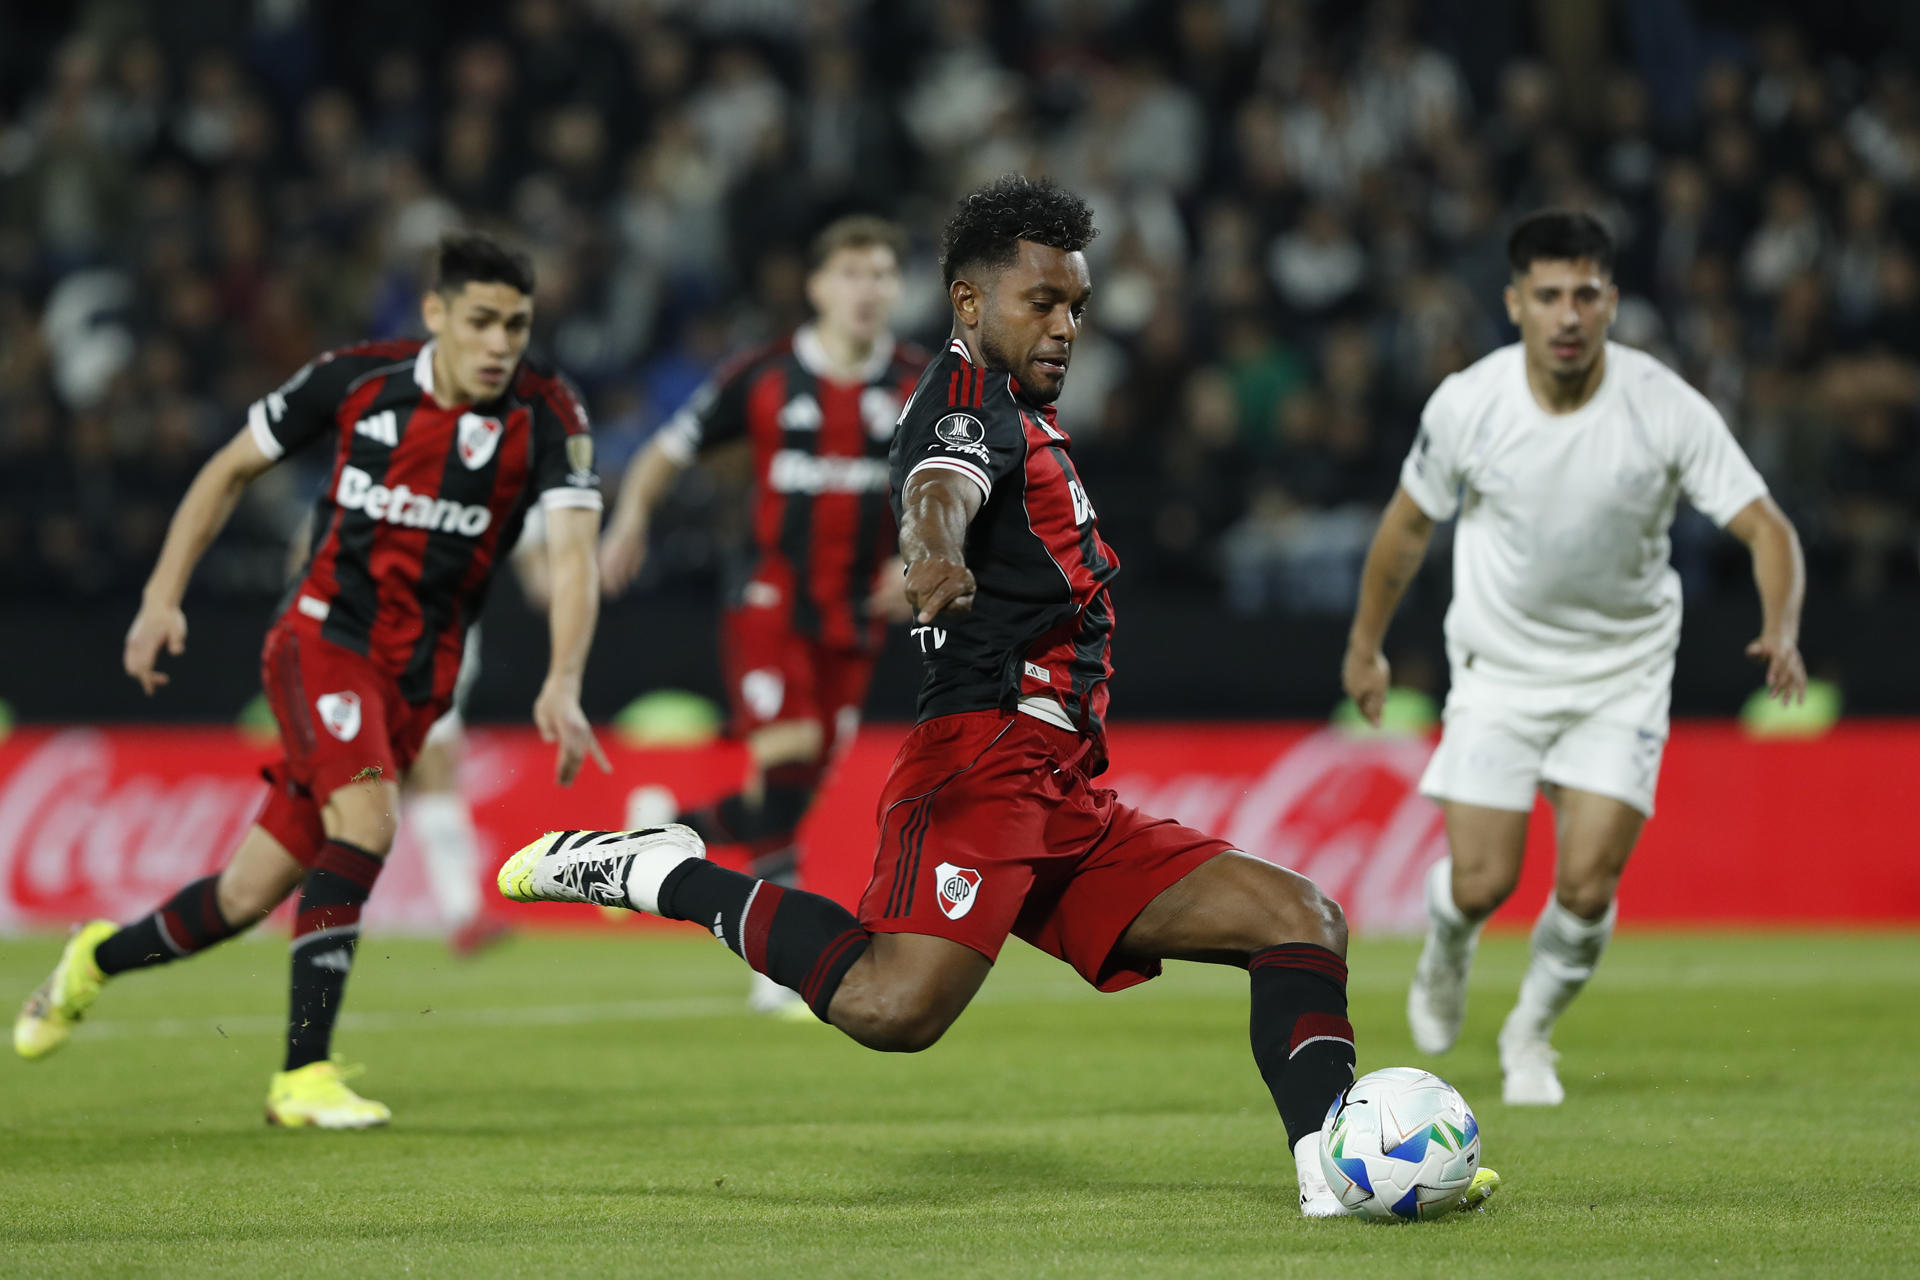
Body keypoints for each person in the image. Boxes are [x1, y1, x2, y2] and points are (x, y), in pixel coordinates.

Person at [500, 176, 1498, 1216]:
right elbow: (943, 484)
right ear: (970, 304)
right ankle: (665, 871)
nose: (1066, 325)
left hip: (1061, 782)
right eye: (1042, 303)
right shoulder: (969, 406)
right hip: (982, 762)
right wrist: (930, 548)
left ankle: (1331, 1173)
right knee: (895, 1006)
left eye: (1076, 304)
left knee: (1300, 917)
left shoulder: (1021, 409)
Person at [13, 231, 610, 1128]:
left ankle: (93, 960)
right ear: (435, 314)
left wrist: (564, 678)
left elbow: (571, 558)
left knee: (241, 897)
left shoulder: (550, 414)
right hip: (319, 642)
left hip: (420, 680)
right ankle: (303, 1075)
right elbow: (227, 470)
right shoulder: (354, 379)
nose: (499, 345)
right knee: (367, 819)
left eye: (516, 326)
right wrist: (161, 597)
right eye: (481, 321)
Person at [1342, 209, 1807, 1106]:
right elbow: (1405, 528)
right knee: (1483, 882)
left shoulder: (1662, 404)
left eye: (1585, 295)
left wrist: (1780, 627)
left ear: (1612, 303)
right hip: (1499, 674)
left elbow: (1766, 526)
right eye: (1548, 295)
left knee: (1588, 887)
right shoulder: (1470, 403)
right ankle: (1448, 945)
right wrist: (1365, 647)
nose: (1567, 315)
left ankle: (1531, 1034)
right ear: (1515, 303)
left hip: (1620, 677)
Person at [597, 215, 927, 1015]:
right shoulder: (765, 377)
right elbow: (666, 450)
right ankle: (778, 957)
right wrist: (630, 518)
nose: (867, 288)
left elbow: (952, 488)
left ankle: (665, 826)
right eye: (850, 272)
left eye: (881, 273)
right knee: (787, 757)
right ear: (816, 287)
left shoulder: (923, 383)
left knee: (793, 790)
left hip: (857, 615)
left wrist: (922, 558)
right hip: (770, 600)